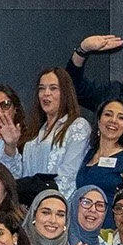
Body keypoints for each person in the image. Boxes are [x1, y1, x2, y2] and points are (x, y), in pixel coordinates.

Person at [22, 68, 92, 198]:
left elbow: (69, 177)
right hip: (31, 208)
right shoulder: (36, 130)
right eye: (41, 88)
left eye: (53, 88)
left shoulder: (77, 126)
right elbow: (24, 176)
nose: (46, 93)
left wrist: (43, 200)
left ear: (65, 93)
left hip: (58, 205)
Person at [76, 99, 123, 198]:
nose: (113, 120)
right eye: (108, 114)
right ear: (99, 121)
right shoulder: (89, 153)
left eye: (121, 118)